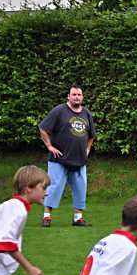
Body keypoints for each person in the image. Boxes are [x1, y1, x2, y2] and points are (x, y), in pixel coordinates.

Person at [39, 84, 96, 227]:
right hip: (59, 159)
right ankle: (46, 217)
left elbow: (91, 135)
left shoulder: (86, 113)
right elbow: (43, 128)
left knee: (80, 189)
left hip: (79, 160)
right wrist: (49, 146)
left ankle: (78, 218)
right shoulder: (59, 111)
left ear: (82, 97)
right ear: (68, 96)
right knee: (53, 187)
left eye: (79, 95)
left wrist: (87, 149)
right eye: (74, 95)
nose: (77, 97)